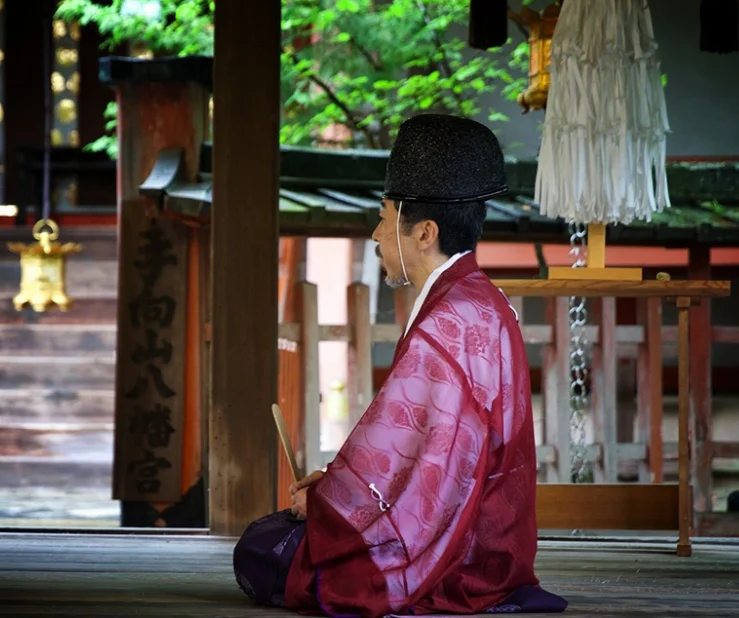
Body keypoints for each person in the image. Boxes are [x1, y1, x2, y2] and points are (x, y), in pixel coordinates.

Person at [233, 114, 567, 616]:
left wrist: (323, 505)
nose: (376, 234)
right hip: (489, 536)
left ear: (425, 232)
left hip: (460, 552)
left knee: (261, 550)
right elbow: (419, 452)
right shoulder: (480, 300)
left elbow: (416, 461)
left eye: (385, 217)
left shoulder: (451, 320)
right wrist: (332, 485)